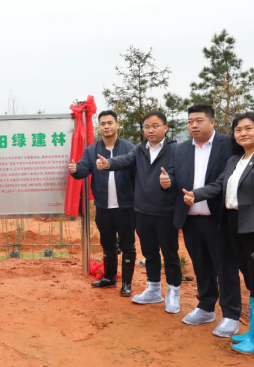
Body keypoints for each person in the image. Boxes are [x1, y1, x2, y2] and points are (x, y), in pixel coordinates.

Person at [182, 112, 254, 353]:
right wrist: (196, 194)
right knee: (249, 279)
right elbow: (218, 185)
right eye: (238, 130)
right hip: (233, 226)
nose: (243, 133)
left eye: (248, 128)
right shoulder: (235, 160)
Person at [96, 110, 182, 313]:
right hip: (142, 211)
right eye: (146, 127)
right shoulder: (140, 149)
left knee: (170, 254)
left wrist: (170, 181)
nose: (150, 130)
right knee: (150, 252)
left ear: (165, 128)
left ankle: (173, 291)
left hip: (165, 211)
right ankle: (153, 289)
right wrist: (109, 163)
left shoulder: (176, 150)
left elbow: (181, 174)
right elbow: (124, 160)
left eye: (155, 126)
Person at [170, 104, 240, 337]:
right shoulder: (180, 150)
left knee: (225, 268)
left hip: (218, 219)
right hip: (190, 219)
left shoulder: (229, 145)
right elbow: (174, 175)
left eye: (199, 120)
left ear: (212, 122)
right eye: (190, 121)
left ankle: (231, 315)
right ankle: (206, 307)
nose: (194, 125)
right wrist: (167, 181)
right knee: (201, 266)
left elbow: (229, 180)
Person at [69, 110, 137, 295]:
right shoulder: (92, 150)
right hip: (103, 207)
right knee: (107, 243)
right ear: (99, 127)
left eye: (110, 123)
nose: (106, 127)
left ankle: (127, 284)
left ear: (117, 125)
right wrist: (75, 169)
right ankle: (109, 277)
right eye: (103, 124)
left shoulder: (130, 148)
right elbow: (83, 169)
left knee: (127, 244)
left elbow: (138, 174)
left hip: (126, 207)